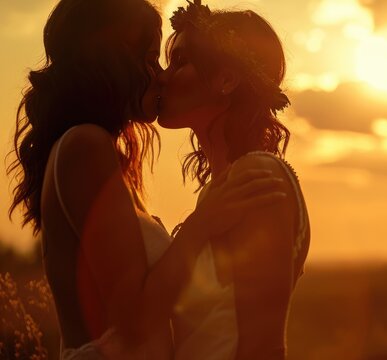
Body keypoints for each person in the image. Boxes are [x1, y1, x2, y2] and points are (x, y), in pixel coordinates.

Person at [7, 0, 286, 358]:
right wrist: (203, 225)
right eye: (151, 57)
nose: (160, 75)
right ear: (114, 57)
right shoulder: (85, 145)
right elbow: (135, 321)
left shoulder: (100, 152)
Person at [157, 1, 311, 358]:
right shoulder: (221, 189)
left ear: (226, 79)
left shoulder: (259, 177)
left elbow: (264, 346)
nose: (163, 76)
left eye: (180, 62)